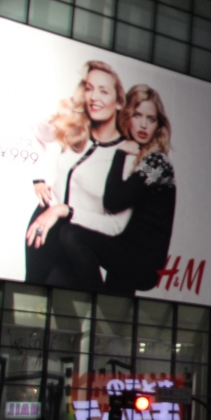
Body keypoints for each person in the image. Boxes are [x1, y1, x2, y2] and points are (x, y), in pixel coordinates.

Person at [59, 84, 177, 294]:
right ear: (128, 117)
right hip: (126, 252)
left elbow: (113, 201)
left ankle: (95, 302)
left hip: (143, 262)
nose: (143, 125)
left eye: (151, 119)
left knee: (71, 234)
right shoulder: (138, 156)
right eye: (137, 115)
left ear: (158, 125)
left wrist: (119, 154)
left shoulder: (158, 163)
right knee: (114, 320)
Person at [25, 60, 133, 288]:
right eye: (89, 89)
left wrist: (65, 211)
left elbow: (116, 225)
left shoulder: (127, 151)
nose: (95, 97)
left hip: (77, 240)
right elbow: (36, 131)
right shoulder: (75, 129)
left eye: (104, 91)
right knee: (29, 303)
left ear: (118, 102)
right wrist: (38, 178)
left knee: (71, 313)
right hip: (43, 229)